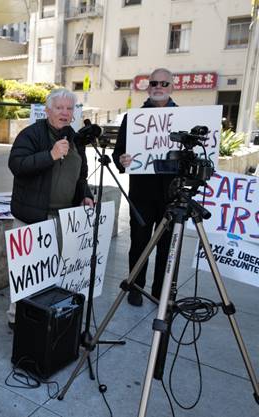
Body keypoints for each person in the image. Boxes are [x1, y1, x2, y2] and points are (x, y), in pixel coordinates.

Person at [7, 88, 94, 326]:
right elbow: (16, 164)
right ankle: (17, 319)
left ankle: (45, 317)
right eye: (59, 108)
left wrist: (85, 194)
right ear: (47, 110)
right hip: (34, 216)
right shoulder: (32, 134)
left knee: (53, 272)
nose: (65, 113)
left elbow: (81, 176)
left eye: (69, 108)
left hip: (64, 218)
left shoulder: (76, 139)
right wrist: (50, 155)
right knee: (27, 273)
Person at [112, 68, 177, 307]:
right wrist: (123, 160)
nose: (158, 86)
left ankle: (161, 292)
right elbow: (118, 151)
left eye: (164, 83)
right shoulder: (134, 118)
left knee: (167, 246)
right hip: (141, 193)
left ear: (172, 87)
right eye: (154, 83)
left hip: (172, 195)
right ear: (149, 87)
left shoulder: (184, 118)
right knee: (139, 242)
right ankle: (136, 287)